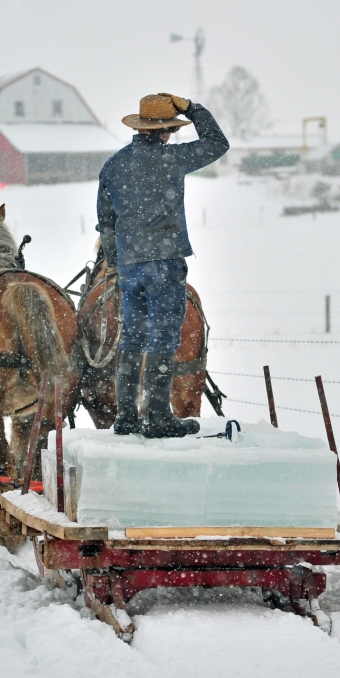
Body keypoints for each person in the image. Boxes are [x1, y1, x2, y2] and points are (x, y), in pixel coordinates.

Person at [97, 93, 229, 438]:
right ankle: (158, 417)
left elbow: (106, 222)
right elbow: (218, 143)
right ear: (167, 131)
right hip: (164, 262)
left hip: (129, 265)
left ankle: (126, 417)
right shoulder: (171, 158)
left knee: (133, 335)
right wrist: (192, 108)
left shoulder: (112, 165)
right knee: (163, 336)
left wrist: (117, 262)